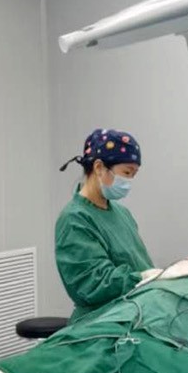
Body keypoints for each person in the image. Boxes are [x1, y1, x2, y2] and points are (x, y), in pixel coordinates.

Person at [54, 128, 154, 320]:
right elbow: (92, 284)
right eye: (126, 172)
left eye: (133, 174)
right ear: (99, 167)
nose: (129, 181)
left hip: (135, 311)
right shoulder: (75, 219)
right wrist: (144, 278)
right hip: (100, 322)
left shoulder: (122, 214)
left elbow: (140, 263)